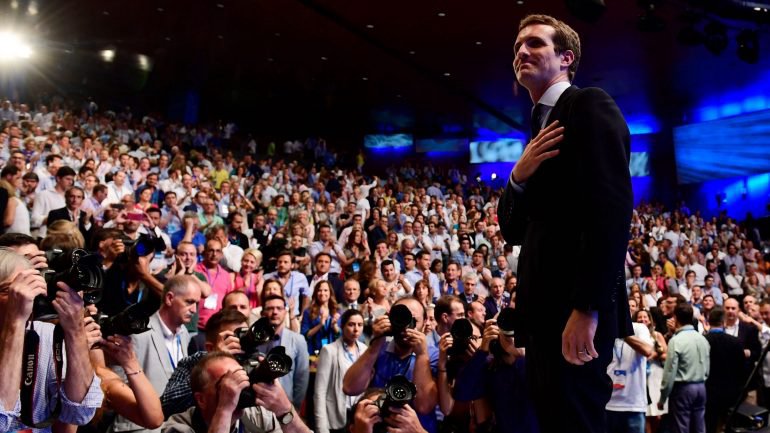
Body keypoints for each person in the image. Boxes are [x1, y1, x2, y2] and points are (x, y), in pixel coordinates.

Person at [497, 14, 633, 433]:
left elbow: (611, 209)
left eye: (535, 43)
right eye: (518, 45)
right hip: (540, 315)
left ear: (566, 58)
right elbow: (514, 230)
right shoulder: (536, 133)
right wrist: (517, 177)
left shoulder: (587, 104)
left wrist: (587, 307)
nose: (522, 51)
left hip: (575, 310)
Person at [0, 249, 103, 432]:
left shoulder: (46, 336)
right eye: (13, 290)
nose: (26, 296)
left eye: (31, 287)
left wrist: (75, 330)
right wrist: (15, 323)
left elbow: (80, 413)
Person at [111, 275, 202, 433]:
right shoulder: (139, 332)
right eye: (189, 302)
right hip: (138, 427)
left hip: (174, 426)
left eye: (196, 303)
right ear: (169, 298)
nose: (194, 310)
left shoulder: (185, 334)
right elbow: (118, 383)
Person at [161, 352, 312, 433]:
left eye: (241, 379)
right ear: (201, 399)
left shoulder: (255, 416)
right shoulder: (178, 426)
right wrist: (224, 411)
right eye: (228, 384)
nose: (238, 389)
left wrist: (284, 410)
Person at [160, 309, 249, 418]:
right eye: (233, 339)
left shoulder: (255, 362)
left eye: (245, 336)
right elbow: (165, 405)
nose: (240, 344)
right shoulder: (193, 363)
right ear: (210, 348)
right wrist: (213, 363)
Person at [658, 304, 710, 433]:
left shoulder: (676, 340)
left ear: (675, 317)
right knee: (699, 427)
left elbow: (669, 372)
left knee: (681, 427)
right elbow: (707, 366)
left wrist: (663, 397)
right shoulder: (702, 339)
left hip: (683, 388)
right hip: (701, 386)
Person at [313, 309, 367, 433]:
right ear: (342, 326)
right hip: (336, 416)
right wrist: (321, 427)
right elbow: (320, 392)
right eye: (351, 324)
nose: (356, 329)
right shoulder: (329, 350)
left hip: (358, 414)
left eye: (360, 325)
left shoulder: (364, 350)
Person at [256, 295, 310, 410]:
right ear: (263, 313)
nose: (275, 312)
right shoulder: (255, 340)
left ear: (285, 312)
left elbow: (302, 378)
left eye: (279, 308)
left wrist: (294, 407)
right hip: (258, 406)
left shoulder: (298, 340)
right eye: (270, 308)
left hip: (286, 405)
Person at [704, 307, 745, 433]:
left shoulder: (702, 341)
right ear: (724, 322)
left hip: (708, 392)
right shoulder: (736, 342)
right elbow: (741, 370)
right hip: (731, 393)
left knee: (709, 427)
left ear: (708, 321)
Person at [301, 280, 341, 355]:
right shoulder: (308, 312)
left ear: (330, 293)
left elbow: (341, 335)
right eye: (319, 290)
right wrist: (320, 325)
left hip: (333, 352)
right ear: (316, 293)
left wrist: (334, 325)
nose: (322, 293)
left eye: (325, 290)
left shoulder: (337, 311)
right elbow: (304, 336)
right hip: (314, 352)